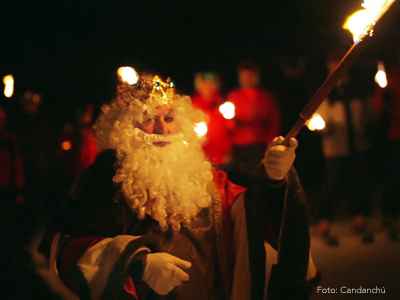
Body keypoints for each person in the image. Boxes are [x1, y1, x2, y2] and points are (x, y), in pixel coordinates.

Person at [53, 71, 317, 300]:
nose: (163, 129)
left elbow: (257, 217)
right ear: (125, 128)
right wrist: (137, 264)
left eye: (169, 118)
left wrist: (275, 179)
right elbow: (70, 251)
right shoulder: (104, 180)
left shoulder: (210, 181)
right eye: (148, 118)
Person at [315, 49, 375, 246]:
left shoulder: (358, 88)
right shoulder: (326, 90)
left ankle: (359, 216)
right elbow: (317, 117)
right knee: (333, 182)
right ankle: (324, 219)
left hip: (358, 144)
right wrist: (324, 127)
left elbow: (369, 113)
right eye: (333, 63)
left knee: (359, 181)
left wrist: (367, 125)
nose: (336, 67)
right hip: (335, 146)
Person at [226, 60, 281, 187]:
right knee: (239, 180)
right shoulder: (234, 96)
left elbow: (273, 121)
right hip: (239, 146)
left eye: (250, 75)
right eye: (244, 75)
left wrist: (271, 144)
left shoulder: (265, 97)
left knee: (257, 179)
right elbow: (227, 123)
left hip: (258, 145)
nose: (247, 79)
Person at [373, 52, 400, 241]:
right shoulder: (390, 76)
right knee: (394, 176)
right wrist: (384, 98)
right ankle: (392, 217)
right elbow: (379, 107)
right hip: (395, 133)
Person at [191, 72, 232, 168]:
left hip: (220, 155)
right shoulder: (192, 106)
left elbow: (229, 130)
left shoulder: (223, 105)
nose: (208, 86)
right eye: (204, 83)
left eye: (211, 83)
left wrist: (227, 151)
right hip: (201, 155)